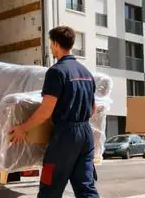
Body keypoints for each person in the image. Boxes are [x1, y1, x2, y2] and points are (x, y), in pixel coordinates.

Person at [9, 26, 99, 198]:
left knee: (50, 188)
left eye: (51, 44)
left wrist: (23, 128)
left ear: (56, 44)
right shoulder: (86, 73)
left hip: (65, 136)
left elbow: (45, 111)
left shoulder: (56, 72)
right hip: (86, 135)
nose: (51, 47)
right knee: (85, 188)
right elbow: (92, 109)